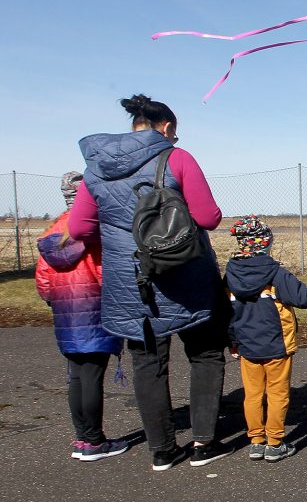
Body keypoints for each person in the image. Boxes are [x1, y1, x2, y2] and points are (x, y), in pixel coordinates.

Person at [69, 94, 233, 471]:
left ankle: (162, 450)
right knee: (205, 355)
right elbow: (208, 218)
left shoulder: (95, 168)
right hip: (186, 275)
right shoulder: (177, 157)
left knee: (148, 363)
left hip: (131, 281)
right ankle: (204, 442)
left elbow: (79, 227)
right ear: (167, 128)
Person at [224, 215, 307, 462]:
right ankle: (275, 443)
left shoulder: (230, 275)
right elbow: (304, 298)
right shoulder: (276, 273)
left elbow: (227, 312)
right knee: (278, 394)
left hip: (247, 348)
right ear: (265, 242)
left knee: (253, 395)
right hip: (277, 347)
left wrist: (233, 342)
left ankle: (256, 441)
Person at [36, 171, 126, 461]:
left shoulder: (52, 232)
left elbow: (44, 283)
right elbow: (105, 272)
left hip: (65, 311)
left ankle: (82, 438)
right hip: (95, 308)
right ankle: (94, 441)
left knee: (76, 375)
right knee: (91, 375)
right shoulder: (94, 230)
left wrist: (56, 299)